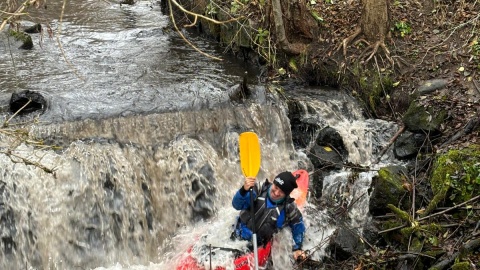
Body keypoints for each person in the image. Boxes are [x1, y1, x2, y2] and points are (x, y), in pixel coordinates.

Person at [231, 171, 306, 261]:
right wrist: (243, 190)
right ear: (273, 183)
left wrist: (297, 248)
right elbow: (236, 205)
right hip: (238, 235)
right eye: (276, 187)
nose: (277, 193)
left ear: (286, 194)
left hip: (259, 245)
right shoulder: (258, 189)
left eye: (282, 192)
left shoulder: (289, 208)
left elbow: (298, 227)